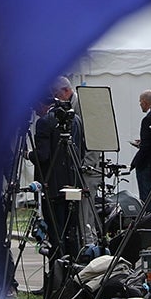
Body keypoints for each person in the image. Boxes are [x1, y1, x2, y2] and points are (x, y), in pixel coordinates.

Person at [30, 79, 87, 253]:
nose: (36, 113)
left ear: (42, 104)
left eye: (36, 108)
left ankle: (58, 269)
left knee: (56, 233)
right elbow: (82, 149)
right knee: (73, 230)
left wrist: (28, 154)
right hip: (73, 184)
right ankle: (74, 267)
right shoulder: (75, 118)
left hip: (52, 187)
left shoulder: (44, 122)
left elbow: (43, 156)